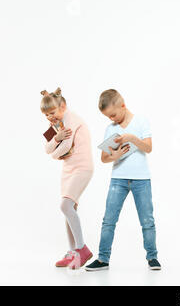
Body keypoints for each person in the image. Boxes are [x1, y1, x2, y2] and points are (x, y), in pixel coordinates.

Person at [85, 89, 160, 271]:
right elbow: (104, 158)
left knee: (147, 220)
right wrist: (115, 155)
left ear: (123, 105)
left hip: (141, 179)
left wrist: (133, 138)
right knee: (109, 220)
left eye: (113, 114)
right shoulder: (110, 129)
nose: (112, 119)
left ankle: (152, 257)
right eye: (108, 117)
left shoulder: (141, 121)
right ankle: (103, 259)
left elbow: (148, 148)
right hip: (118, 178)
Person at [41, 88, 94, 269]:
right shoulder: (55, 125)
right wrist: (56, 138)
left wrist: (55, 153)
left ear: (63, 106)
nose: (50, 117)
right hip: (68, 169)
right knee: (69, 209)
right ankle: (73, 252)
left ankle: (82, 249)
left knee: (65, 205)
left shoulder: (71, 119)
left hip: (82, 167)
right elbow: (47, 148)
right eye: (47, 114)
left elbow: (64, 148)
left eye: (53, 112)